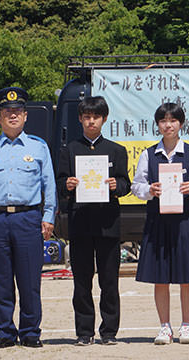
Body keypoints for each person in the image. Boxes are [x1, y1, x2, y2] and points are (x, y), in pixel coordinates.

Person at [0, 87, 56, 349]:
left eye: (18, 111)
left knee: (30, 280)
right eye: (8, 112)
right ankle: (5, 332)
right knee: (1, 279)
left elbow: (48, 185)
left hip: (28, 218)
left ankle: (30, 332)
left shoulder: (38, 148)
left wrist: (49, 216)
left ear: (26, 116)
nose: (13, 116)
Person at [131, 103, 189, 345]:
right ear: (157, 124)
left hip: (186, 220)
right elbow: (137, 186)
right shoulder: (148, 154)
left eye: (173, 121)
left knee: (187, 276)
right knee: (160, 277)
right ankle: (164, 327)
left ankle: (187, 326)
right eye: (163, 121)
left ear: (181, 124)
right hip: (158, 221)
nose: (168, 125)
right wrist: (150, 190)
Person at [57, 96, 130, 346]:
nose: (91, 121)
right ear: (80, 119)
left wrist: (115, 185)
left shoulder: (116, 151)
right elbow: (59, 184)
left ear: (104, 119)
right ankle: (84, 331)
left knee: (109, 281)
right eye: (87, 116)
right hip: (80, 223)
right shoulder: (69, 150)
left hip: (108, 223)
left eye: (95, 117)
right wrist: (66, 185)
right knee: (81, 281)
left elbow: (125, 184)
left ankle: (109, 331)